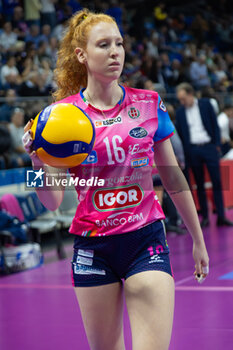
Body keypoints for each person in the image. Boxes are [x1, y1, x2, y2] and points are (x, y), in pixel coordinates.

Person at [23, 9, 209, 350]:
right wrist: (35, 160)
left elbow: (174, 180)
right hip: (93, 247)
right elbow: (49, 200)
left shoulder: (149, 104)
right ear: (81, 55)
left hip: (145, 240)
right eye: (104, 44)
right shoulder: (62, 117)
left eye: (119, 44)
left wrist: (197, 238)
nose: (115, 52)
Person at [176, 82, 233, 227]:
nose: (181, 102)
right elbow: (181, 134)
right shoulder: (180, 112)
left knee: (217, 182)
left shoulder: (206, 104)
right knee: (199, 184)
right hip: (193, 150)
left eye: (183, 98)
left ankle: (221, 216)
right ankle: (205, 218)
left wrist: (216, 146)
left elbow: (215, 125)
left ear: (190, 94)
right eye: (180, 100)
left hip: (209, 147)